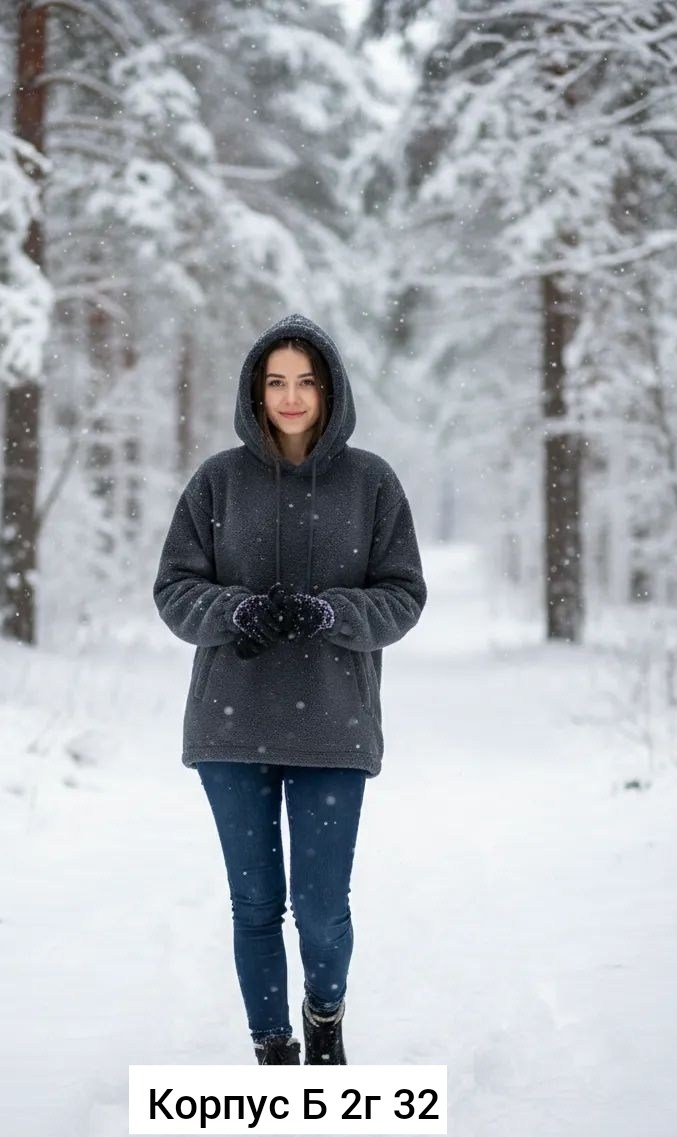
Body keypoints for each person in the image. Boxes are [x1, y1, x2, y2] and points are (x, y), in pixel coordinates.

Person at [153, 312, 427, 1065]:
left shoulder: (371, 482)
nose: (292, 396)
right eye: (276, 381)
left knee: (319, 908)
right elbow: (174, 588)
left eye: (305, 381)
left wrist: (329, 610)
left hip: (333, 727)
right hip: (230, 724)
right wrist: (235, 610)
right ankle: (272, 1051)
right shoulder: (218, 480)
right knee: (254, 905)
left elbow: (403, 597)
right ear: (256, 391)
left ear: (329, 389)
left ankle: (325, 1013)